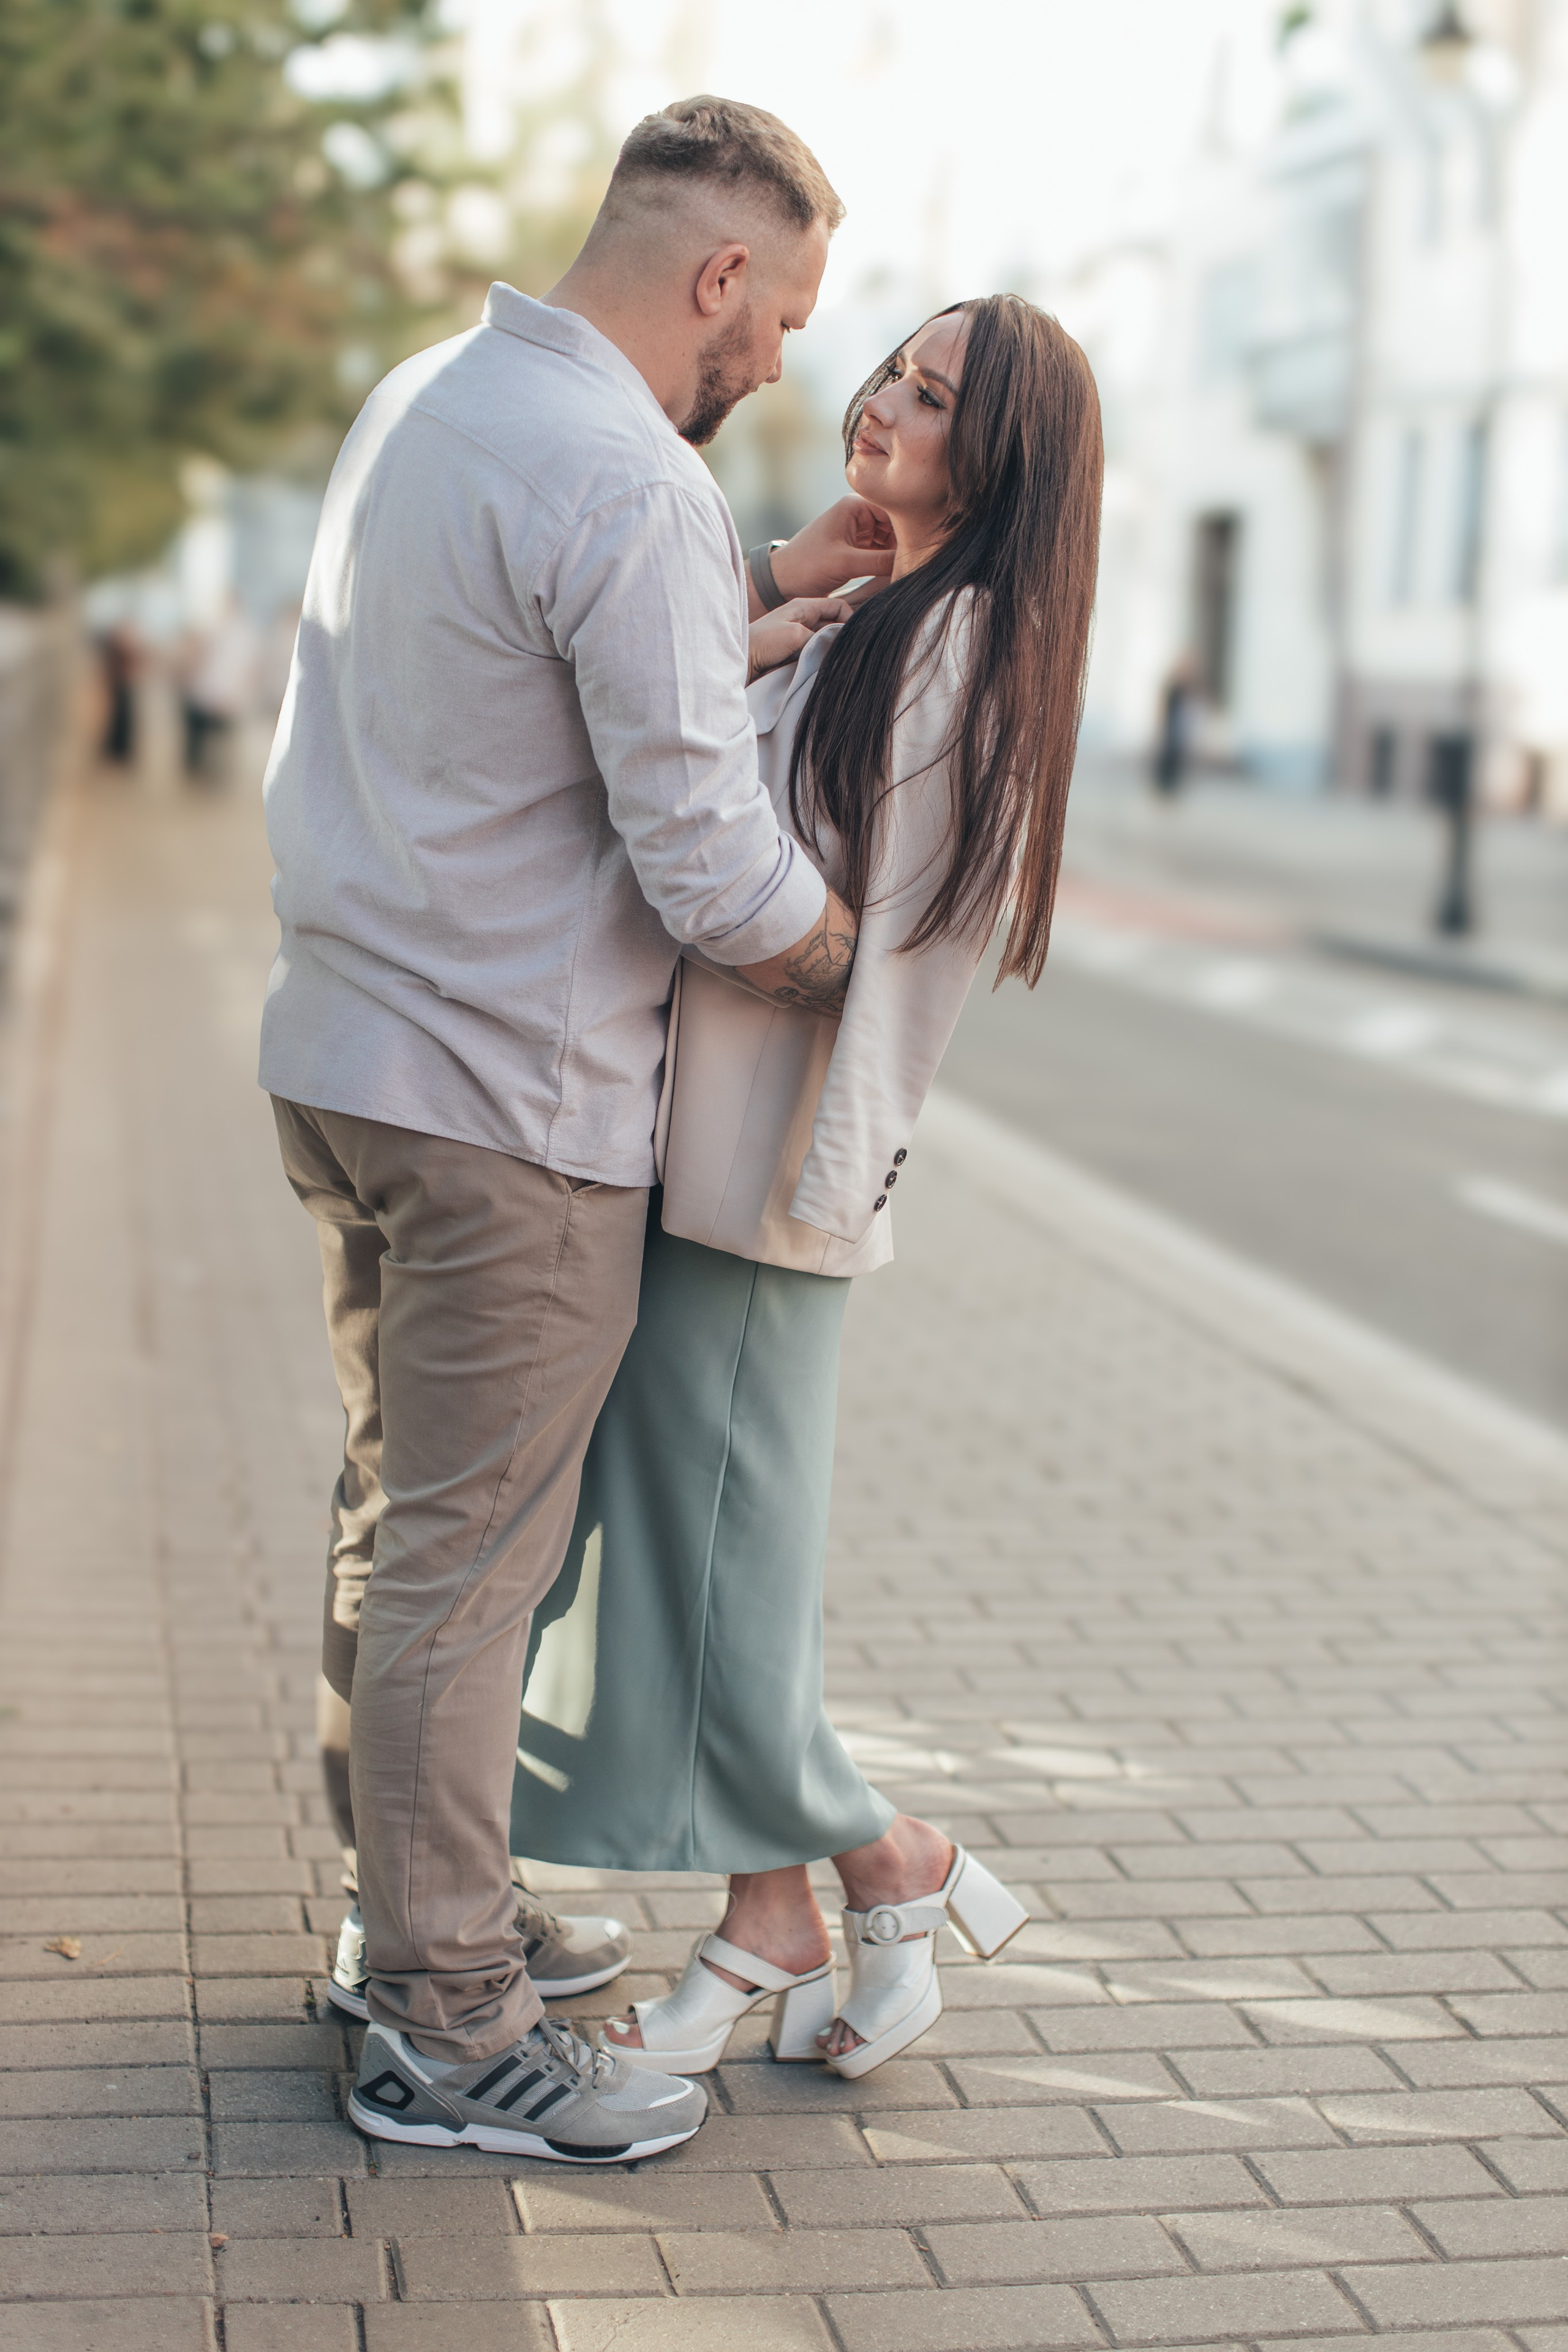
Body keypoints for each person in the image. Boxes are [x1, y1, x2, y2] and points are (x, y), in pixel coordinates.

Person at [261, 96, 895, 2165]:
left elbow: (485, 690)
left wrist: (748, 608)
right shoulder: (629, 477)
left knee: (402, 1520)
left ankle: (413, 1926)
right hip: (510, 1107)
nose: (788, 362)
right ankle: (446, 2027)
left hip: (350, 1059)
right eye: (785, 317)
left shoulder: (426, 397)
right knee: (472, 1561)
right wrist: (848, 954)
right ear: (719, 275)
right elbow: (712, 868)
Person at [507, 293, 1104, 2078]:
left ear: (999, 461)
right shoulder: (880, 616)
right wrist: (777, 610)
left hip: (768, 1186)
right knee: (704, 1573)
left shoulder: (962, 643)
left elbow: (896, 952)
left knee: (717, 1587)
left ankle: (848, 1885)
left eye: (932, 401)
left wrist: (824, 1196)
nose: (884, 409)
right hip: (690, 1156)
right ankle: (833, 1895)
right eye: (893, 376)